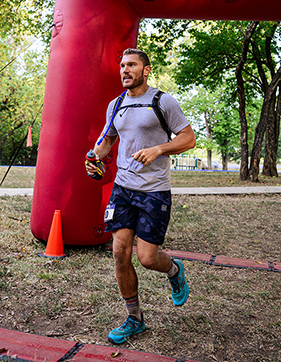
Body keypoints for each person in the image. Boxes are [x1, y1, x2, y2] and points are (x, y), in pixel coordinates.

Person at [86, 48, 196, 344]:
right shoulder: (116, 104)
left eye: (132, 65)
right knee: (119, 253)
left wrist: (159, 149)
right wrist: (95, 157)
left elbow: (189, 137)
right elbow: (108, 138)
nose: (125, 70)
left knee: (147, 258)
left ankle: (174, 270)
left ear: (146, 70)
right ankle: (134, 319)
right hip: (123, 189)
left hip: (154, 191)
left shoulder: (163, 101)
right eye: (122, 65)